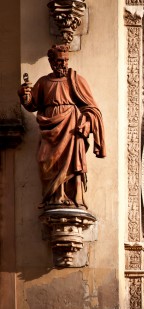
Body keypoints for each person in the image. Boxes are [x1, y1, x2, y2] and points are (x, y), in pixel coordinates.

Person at [18, 44, 106, 209]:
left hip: (71, 127)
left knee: (73, 162)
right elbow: (32, 105)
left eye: (65, 60)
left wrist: (87, 121)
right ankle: (54, 198)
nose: (63, 64)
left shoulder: (76, 80)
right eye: (59, 61)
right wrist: (24, 95)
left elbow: (92, 109)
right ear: (52, 62)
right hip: (49, 129)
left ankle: (74, 198)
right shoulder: (44, 82)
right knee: (45, 160)